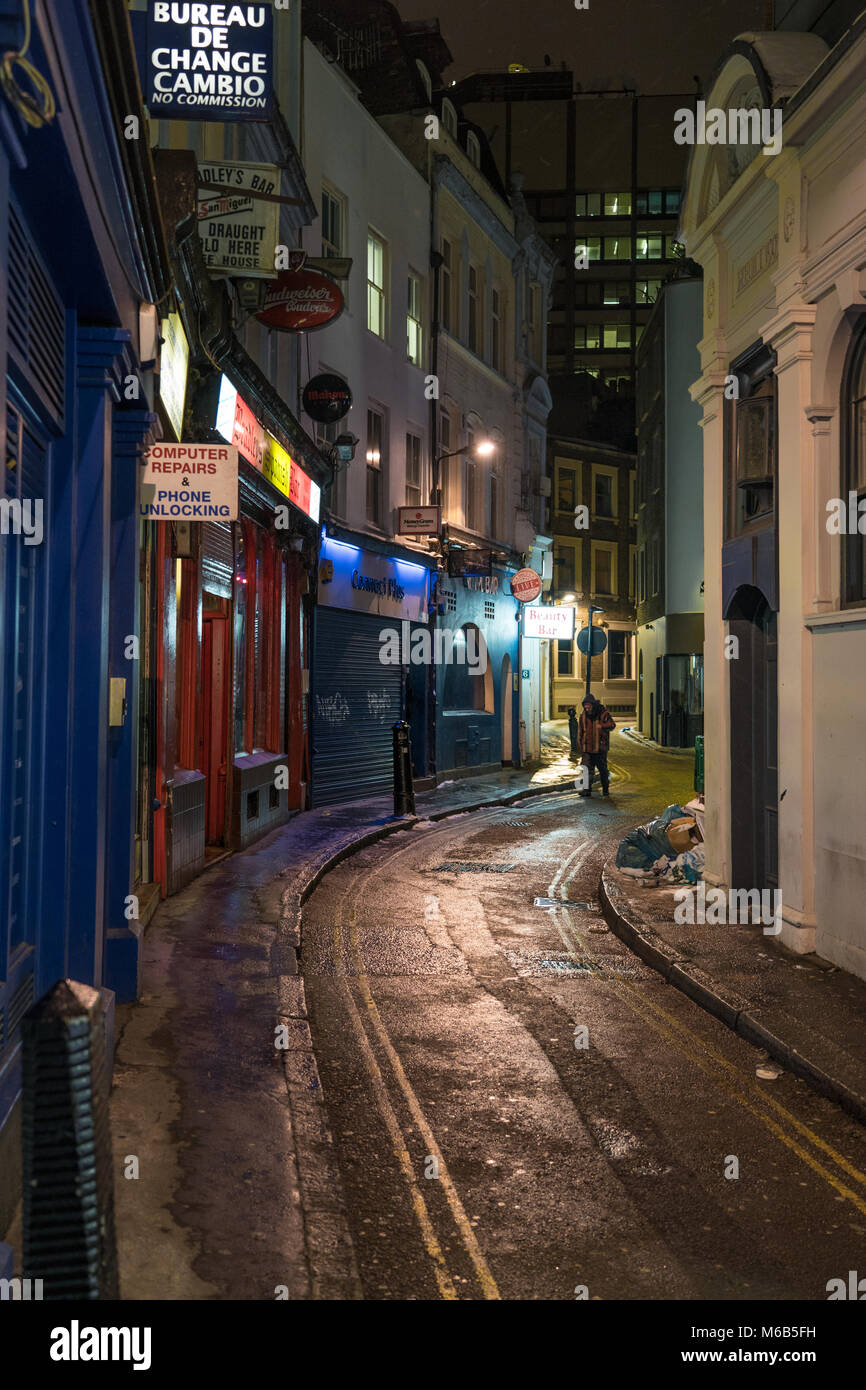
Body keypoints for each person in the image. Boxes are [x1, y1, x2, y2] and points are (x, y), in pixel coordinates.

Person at [577, 693, 616, 797]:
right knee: (586, 770)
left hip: (600, 748)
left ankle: (605, 789)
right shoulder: (583, 716)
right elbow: (580, 731)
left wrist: (602, 726)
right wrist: (580, 745)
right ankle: (586, 790)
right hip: (587, 748)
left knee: (603, 770)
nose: (586, 708)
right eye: (585, 706)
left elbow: (612, 725)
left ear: (593, 705)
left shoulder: (603, 714)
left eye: (588, 705)